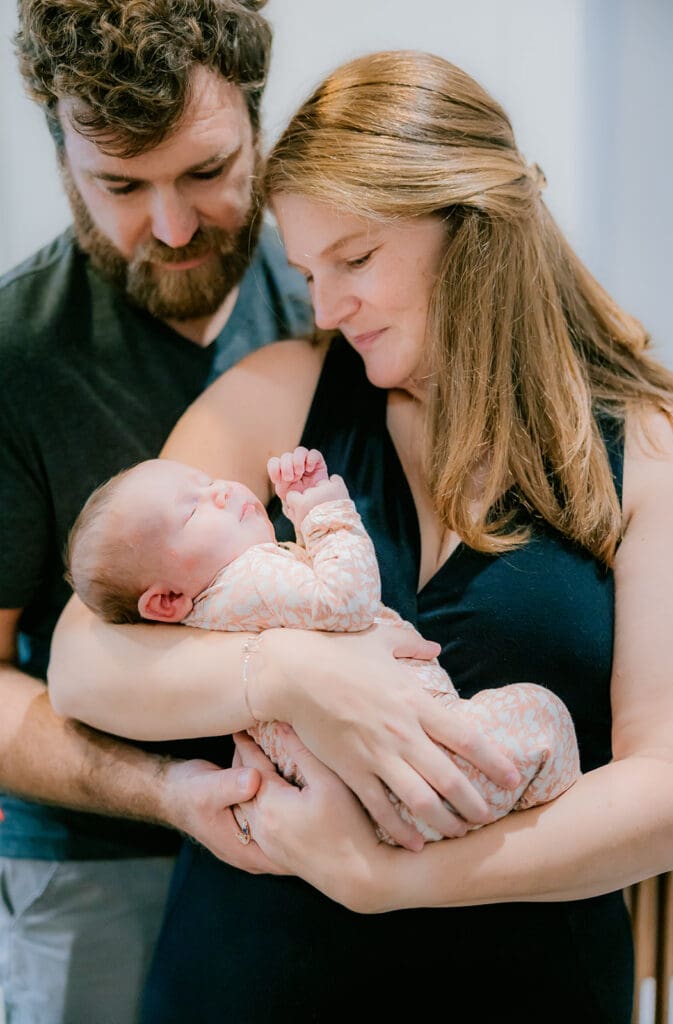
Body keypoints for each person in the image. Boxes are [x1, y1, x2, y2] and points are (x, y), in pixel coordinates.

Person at [49, 49, 673, 1023]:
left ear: (474, 228)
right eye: (307, 270)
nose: (324, 307)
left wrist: (392, 878)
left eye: (354, 259)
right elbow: (84, 659)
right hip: (241, 985)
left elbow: (667, 790)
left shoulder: (645, 445)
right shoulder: (278, 392)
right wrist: (293, 676)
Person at [0, 2, 314, 1022]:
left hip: (320, 859)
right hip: (94, 871)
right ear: (61, 157)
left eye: (207, 172)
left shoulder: (334, 297)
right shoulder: (17, 356)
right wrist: (165, 791)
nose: (173, 228)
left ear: (257, 129)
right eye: (122, 187)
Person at [64, 450, 580, 843]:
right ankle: (550, 815)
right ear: (168, 600)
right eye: (192, 512)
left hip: (375, 790)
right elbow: (345, 601)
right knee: (540, 714)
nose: (221, 492)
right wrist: (325, 514)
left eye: (207, 483)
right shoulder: (246, 580)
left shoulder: (221, 613)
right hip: (417, 771)